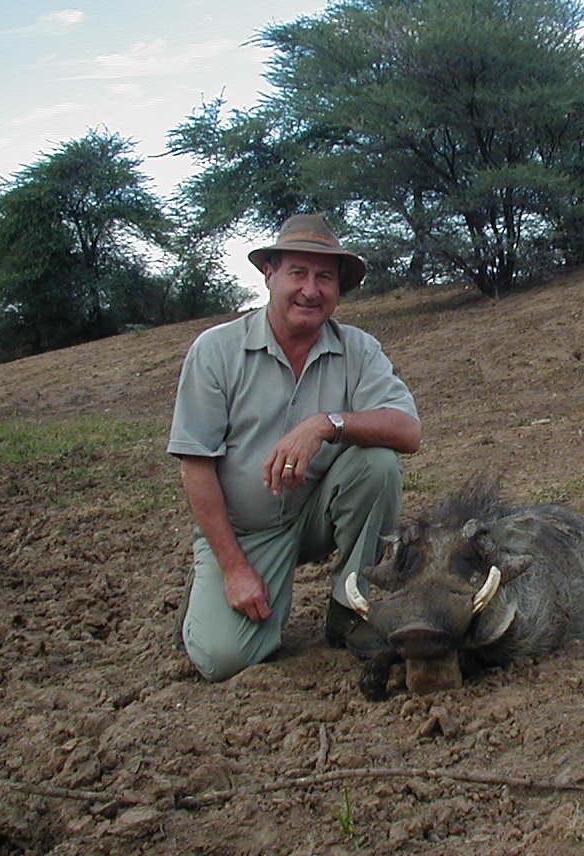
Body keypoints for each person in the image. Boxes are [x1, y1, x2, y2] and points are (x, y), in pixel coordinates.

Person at [167, 212, 421, 682]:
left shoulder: (359, 349)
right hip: (245, 532)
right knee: (222, 659)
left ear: (338, 288)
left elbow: (408, 432)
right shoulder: (215, 350)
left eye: (324, 277)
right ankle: (218, 582)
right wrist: (235, 568)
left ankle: (350, 607)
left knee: (379, 464)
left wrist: (327, 423)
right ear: (270, 275)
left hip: (313, 515)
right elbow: (195, 467)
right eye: (298, 273)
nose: (311, 289)